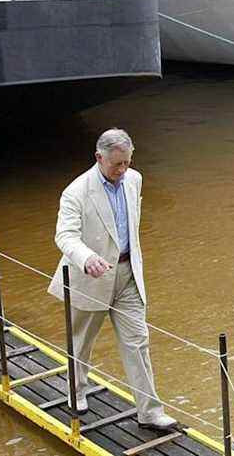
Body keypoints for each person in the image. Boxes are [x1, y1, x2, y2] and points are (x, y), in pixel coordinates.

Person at [48, 129, 177, 432]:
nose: (122, 171)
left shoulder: (134, 179)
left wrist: (125, 256)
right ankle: (76, 391)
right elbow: (64, 235)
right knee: (81, 342)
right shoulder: (76, 191)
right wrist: (86, 257)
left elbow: (131, 224)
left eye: (127, 163)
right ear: (99, 158)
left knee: (138, 342)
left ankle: (150, 411)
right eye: (116, 164)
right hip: (90, 276)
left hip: (127, 274)